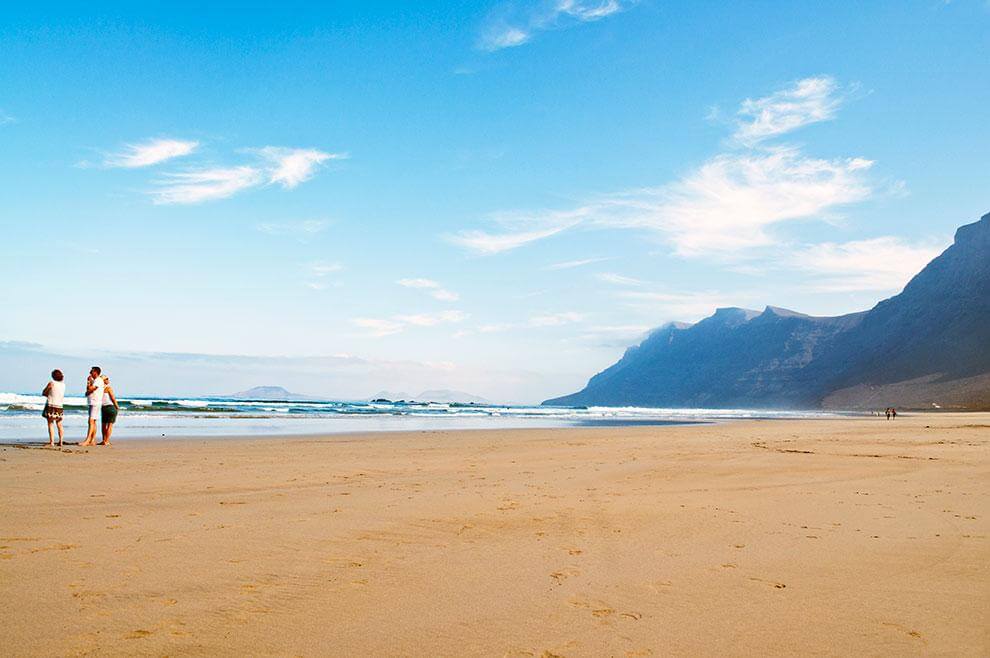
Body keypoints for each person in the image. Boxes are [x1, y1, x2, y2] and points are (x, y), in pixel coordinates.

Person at [79, 366, 104, 447]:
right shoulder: (95, 381)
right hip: (92, 402)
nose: (90, 372)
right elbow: (88, 390)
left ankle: (88, 440)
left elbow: (91, 389)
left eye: (91, 371)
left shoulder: (98, 380)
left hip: (95, 402)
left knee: (91, 421)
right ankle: (92, 440)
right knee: (93, 421)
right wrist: (88, 384)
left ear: (95, 372)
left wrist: (89, 383)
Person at [41, 369, 66, 447]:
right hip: (60, 405)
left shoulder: (52, 383)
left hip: (51, 405)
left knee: (50, 423)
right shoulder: (63, 385)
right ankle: (61, 441)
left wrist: (47, 391)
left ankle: (52, 442)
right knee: (59, 424)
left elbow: (44, 392)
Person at [100, 375, 119, 446]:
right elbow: (113, 398)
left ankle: (104, 440)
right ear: (104, 381)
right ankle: (106, 441)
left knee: (104, 425)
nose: (108, 380)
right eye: (106, 379)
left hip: (103, 408)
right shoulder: (108, 388)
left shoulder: (98, 389)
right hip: (110, 407)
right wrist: (117, 407)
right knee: (110, 425)